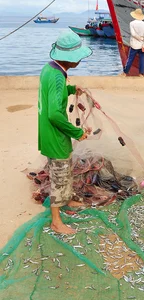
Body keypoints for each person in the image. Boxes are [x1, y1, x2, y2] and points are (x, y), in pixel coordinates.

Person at [38, 31, 92, 234]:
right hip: (55, 134)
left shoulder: (49, 69)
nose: (79, 60)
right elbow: (54, 114)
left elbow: (53, 93)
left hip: (48, 133)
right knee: (59, 176)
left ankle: (67, 199)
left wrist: (70, 90)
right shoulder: (58, 77)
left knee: (64, 169)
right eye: (78, 56)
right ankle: (56, 221)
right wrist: (76, 132)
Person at [123, 8, 144, 76]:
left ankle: (126, 72)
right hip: (142, 44)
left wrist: (139, 39)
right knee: (142, 59)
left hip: (134, 44)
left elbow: (133, 34)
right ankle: (141, 73)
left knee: (130, 59)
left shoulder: (132, 23)